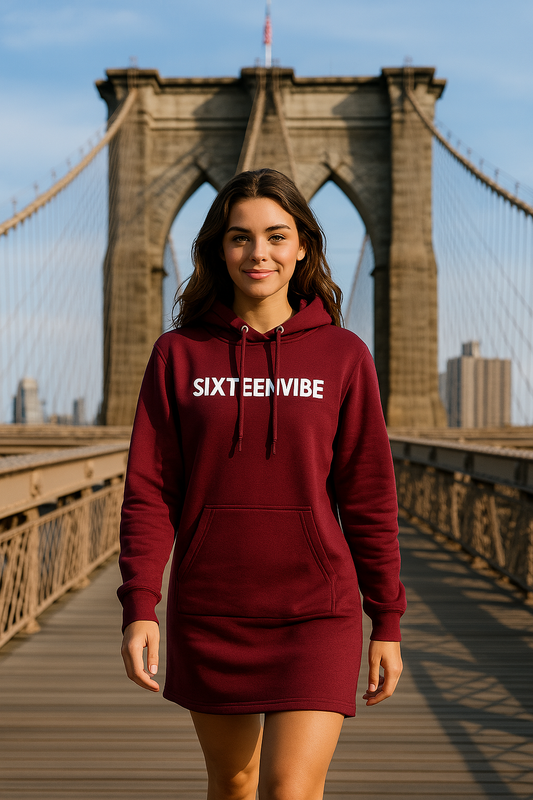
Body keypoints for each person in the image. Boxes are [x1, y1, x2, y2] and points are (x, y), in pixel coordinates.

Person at [118, 168, 406, 800]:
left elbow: (368, 495)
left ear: (302, 246)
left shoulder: (343, 355)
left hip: (317, 609)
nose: (259, 253)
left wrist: (386, 617)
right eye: (240, 237)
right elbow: (151, 489)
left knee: (289, 789)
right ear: (219, 250)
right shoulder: (177, 354)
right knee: (234, 783)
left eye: (276, 236)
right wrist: (140, 604)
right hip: (212, 607)